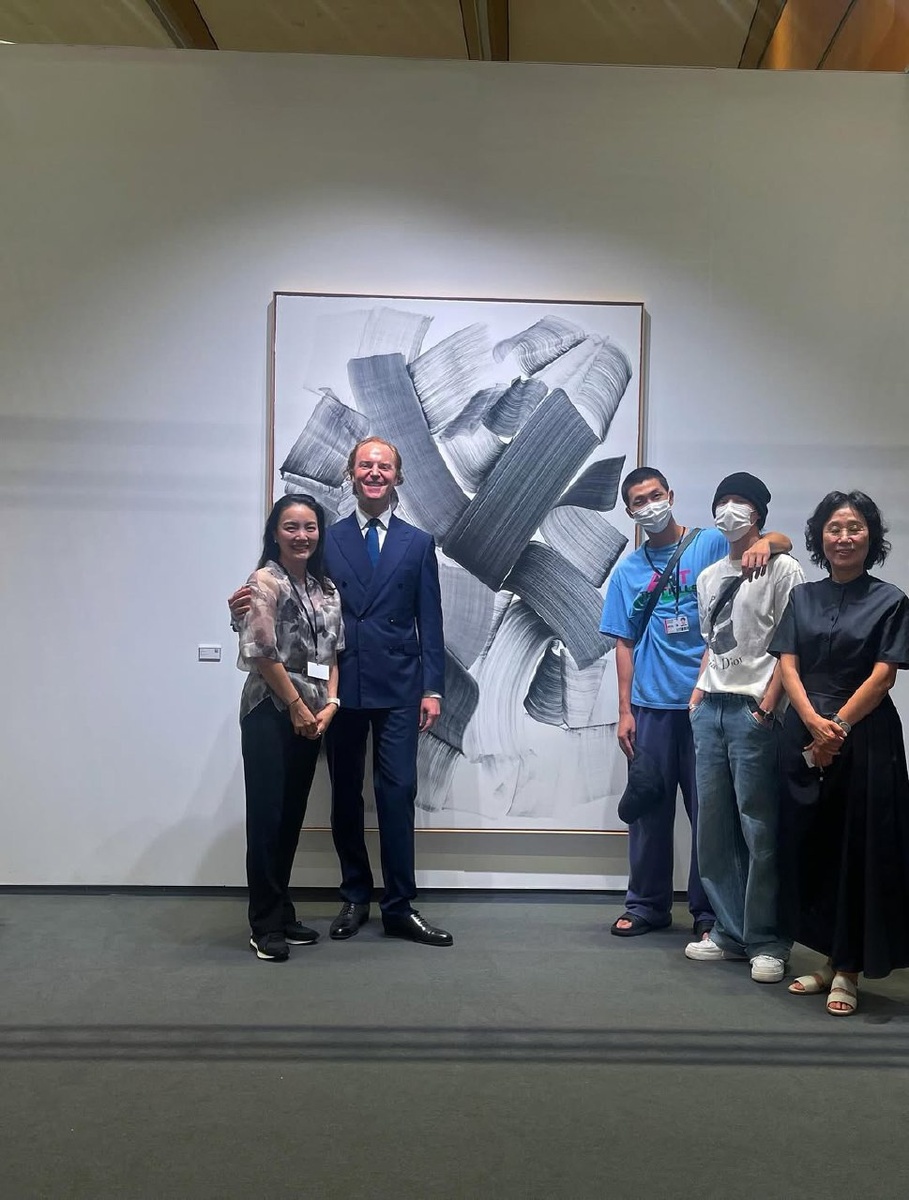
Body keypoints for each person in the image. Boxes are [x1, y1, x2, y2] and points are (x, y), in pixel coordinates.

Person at [230, 437, 451, 947]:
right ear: (351, 475)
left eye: (384, 466)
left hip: (401, 686)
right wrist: (241, 608)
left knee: (398, 793)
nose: (374, 473)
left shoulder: (419, 543)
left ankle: (399, 905)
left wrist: (433, 688)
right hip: (339, 688)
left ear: (397, 476)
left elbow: (431, 621)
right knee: (345, 795)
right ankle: (354, 896)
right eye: (365, 465)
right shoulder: (328, 538)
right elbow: (294, 600)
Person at [599, 467, 792, 939]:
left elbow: (772, 541)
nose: (650, 506)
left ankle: (710, 912)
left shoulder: (706, 543)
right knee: (648, 808)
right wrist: (624, 711)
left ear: (671, 495)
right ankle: (646, 905)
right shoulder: (627, 571)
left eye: (655, 495)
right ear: (629, 511)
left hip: (711, 702)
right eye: (639, 501)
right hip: (650, 705)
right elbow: (623, 643)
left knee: (711, 812)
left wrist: (771, 542)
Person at [770, 491, 909, 1015]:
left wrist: (837, 728)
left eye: (854, 528)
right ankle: (829, 959)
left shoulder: (891, 600)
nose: (844, 537)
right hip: (804, 731)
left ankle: (849, 970)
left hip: (865, 737)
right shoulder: (802, 597)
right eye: (834, 528)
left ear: (871, 537)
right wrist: (811, 721)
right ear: (820, 537)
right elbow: (787, 664)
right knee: (814, 845)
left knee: (859, 851)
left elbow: (884, 674)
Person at [684, 473, 804, 984]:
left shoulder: (783, 568)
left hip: (755, 709)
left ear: (758, 513)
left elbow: (791, 643)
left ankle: (767, 939)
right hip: (710, 706)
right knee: (714, 829)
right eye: (723, 501)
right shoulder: (709, 575)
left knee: (759, 825)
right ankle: (731, 933)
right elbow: (712, 641)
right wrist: (696, 697)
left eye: (740, 502)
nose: (728, 510)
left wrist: (768, 704)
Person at [238, 494, 344, 962]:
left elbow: (333, 654)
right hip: (271, 710)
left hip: (313, 714)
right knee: (267, 819)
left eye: (309, 527)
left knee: (290, 819)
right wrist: (297, 705)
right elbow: (261, 652)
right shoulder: (264, 581)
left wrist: (331, 704)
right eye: (291, 527)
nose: (302, 536)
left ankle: (281, 911)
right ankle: (263, 925)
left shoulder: (326, 588)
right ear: (275, 533)